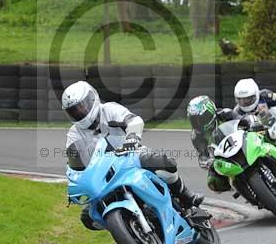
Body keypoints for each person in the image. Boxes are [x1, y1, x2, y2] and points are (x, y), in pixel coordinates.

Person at [62, 81, 204, 230]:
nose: (79, 113)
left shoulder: (109, 109)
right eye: (74, 111)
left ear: (92, 99)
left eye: (81, 107)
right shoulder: (74, 133)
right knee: (88, 217)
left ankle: (186, 197)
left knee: (163, 162)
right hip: (104, 173)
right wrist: (76, 180)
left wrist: (132, 138)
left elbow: (134, 120)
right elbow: (74, 160)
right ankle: (126, 226)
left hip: (129, 156)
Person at [187, 88, 276, 211]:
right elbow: (202, 155)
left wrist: (251, 123)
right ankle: (238, 186)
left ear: (211, 112)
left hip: (240, 143)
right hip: (223, 157)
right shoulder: (196, 136)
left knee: (268, 133)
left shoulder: (224, 113)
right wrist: (208, 162)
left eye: (201, 118)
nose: (198, 123)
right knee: (212, 182)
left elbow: (243, 119)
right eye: (193, 120)